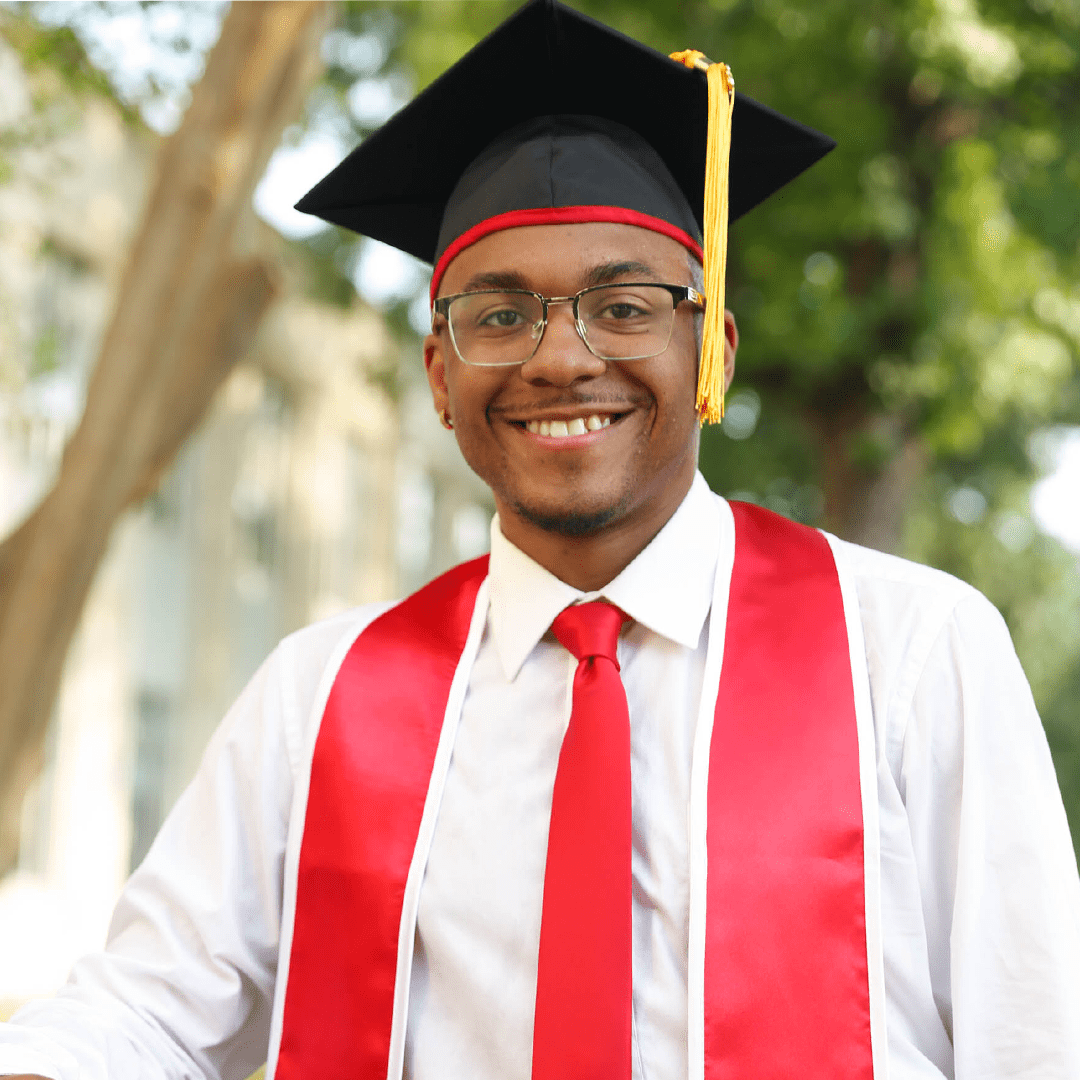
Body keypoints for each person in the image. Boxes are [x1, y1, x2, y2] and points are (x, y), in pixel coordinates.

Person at [3, 1, 1079, 1078]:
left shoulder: (912, 655)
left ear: (716, 353)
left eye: (624, 306)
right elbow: (142, 1013)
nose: (561, 359)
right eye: (500, 315)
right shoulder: (319, 701)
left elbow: (1035, 1041)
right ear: (439, 375)